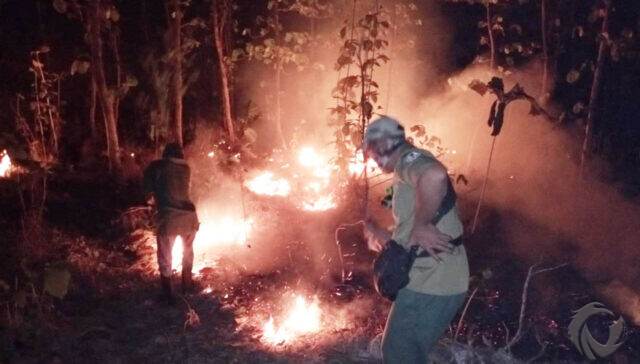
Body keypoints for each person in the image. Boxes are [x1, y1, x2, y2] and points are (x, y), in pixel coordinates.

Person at [363, 116, 469, 363]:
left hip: (433, 280)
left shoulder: (410, 161)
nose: (374, 161)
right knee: (403, 352)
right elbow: (410, 226)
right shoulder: (405, 169)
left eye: (372, 153)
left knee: (400, 355)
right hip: (428, 277)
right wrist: (383, 236)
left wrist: (421, 225)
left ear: (384, 146)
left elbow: (435, 175)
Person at [143, 143, 200, 304]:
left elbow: (147, 193)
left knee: (165, 257)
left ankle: (168, 295)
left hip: (168, 218)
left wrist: (152, 204)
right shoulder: (186, 168)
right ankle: (187, 286)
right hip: (189, 217)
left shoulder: (155, 167)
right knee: (187, 251)